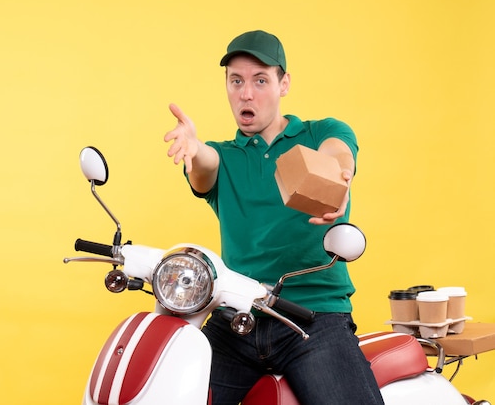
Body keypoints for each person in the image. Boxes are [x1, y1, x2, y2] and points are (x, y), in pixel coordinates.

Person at [164, 30, 384, 405]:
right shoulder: (225, 156)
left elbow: (338, 153)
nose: (246, 93)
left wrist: (337, 176)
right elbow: (203, 166)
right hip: (237, 316)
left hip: (313, 317)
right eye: (236, 81)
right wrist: (194, 147)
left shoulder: (321, 133)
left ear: (284, 84)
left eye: (260, 80)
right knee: (173, 391)